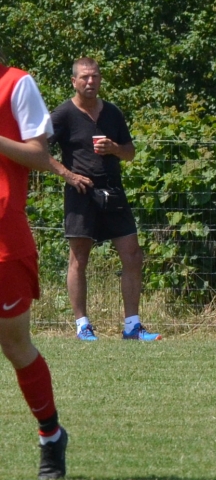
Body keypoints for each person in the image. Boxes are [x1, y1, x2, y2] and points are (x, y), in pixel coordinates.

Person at [49, 57, 155, 342]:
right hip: (81, 194)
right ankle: (82, 325)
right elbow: (37, 149)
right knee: (79, 258)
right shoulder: (63, 114)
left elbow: (130, 153)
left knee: (133, 255)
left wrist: (114, 148)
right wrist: (68, 175)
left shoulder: (112, 113)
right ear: (73, 81)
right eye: (84, 77)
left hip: (113, 191)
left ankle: (132, 326)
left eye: (94, 76)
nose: (90, 82)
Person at [0, 49, 68, 480]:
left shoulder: (17, 83)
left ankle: (51, 435)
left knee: (15, 345)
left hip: (5, 239)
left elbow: (40, 156)